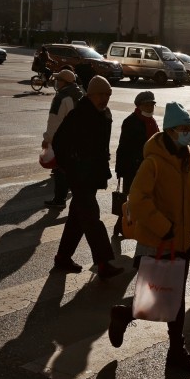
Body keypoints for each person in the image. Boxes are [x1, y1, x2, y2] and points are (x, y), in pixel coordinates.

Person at [108, 102, 190, 373]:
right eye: (184, 129)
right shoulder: (154, 162)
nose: (188, 133)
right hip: (158, 241)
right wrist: (164, 227)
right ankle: (127, 316)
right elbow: (137, 200)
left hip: (182, 240)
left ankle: (175, 352)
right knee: (166, 298)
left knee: (172, 298)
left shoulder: (186, 159)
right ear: (170, 132)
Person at [50, 75, 124, 279]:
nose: (105, 99)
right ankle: (103, 262)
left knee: (76, 218)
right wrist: (70, 167)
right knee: (92, 217)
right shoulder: (78, 114)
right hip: (79, 176)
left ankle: (63, 257)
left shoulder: (104, 115)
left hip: (93, 175)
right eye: (101, 94)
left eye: (108, 95)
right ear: (91, 94)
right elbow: (58, 142)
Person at [113, 91, 159, 237]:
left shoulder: (152, 121)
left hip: (149, 168)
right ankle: (121, 226)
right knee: (132, 200)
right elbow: (123, 147)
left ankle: (131, 227)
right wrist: (120, 169)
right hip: (133, 169)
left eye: (152, 104)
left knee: (144, 200)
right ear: (139, 105)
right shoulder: (130, 121)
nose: (150, 107)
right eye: (147, 104)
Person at [43, 69, 81, 209]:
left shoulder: (60, 98)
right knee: (73, 168)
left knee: (60, 169)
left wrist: (47, 139)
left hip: (62, 139)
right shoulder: (79, 94)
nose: (56, 82)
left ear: (65, 82)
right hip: (77, 138)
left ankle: (59, 199)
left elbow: (54, 121)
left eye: (59, 80)